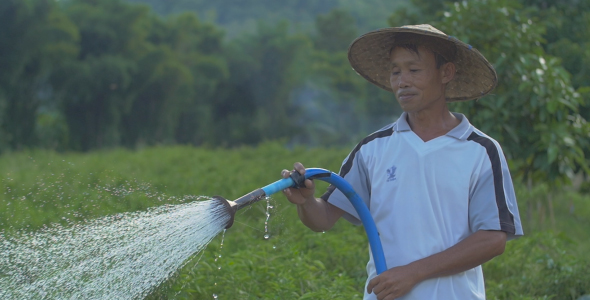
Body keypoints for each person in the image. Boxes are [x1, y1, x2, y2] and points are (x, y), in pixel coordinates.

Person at [281, 24, 523, 300]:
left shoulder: (481, 150)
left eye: (414, 70)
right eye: (396, 71)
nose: (402, 81)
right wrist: (306, 202)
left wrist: (413, 273)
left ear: (446, 73)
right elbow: (323, 219)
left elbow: (492, 239)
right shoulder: (372, 149)